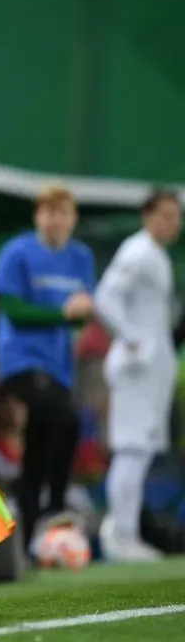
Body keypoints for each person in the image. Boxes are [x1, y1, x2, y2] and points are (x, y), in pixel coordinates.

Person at [0, 185, 95, 555]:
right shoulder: (17, 253)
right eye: (49, 213)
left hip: (58, 366)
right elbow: (14, 309)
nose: (56, 220)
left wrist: (80, 319)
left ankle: (30, 530)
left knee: (42, 441)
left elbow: (82, 313)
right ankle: (55, 507)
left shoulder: (81, 257)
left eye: (63, 213)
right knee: (65, 420)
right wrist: (63, 315)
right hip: (20, 360)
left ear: (73, 218)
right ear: (38, 216)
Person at [94, 189, 182, 562]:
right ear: (148, 215)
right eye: (165, 216)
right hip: (136, 368)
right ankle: (121, 535)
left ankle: (127, 532)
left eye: (176, 217)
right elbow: (105, 298)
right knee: (131, 449)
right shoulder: (138, 251)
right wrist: (133, 339)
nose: (172, 224)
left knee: (141, 450)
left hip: (151, 369)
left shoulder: (156, 255)